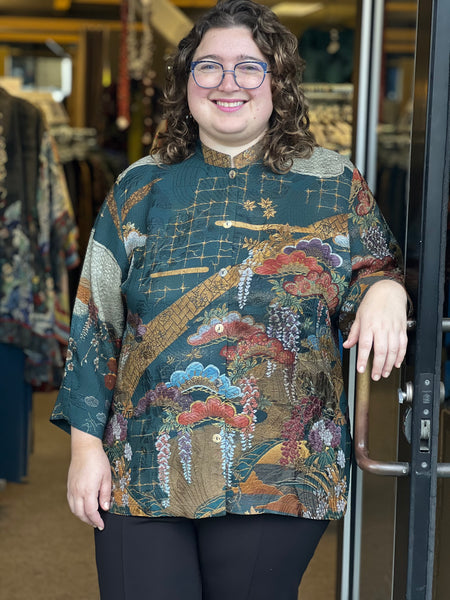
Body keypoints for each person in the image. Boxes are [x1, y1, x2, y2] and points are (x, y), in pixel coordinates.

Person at [51, 1, 408, 598]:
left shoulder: (332, 181)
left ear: (278, 80)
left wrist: (387, 288)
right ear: (186, 81)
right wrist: (85, 448)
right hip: (142, 463)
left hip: (278, 470)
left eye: (249, 66)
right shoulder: (140, 185)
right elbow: (96, 322)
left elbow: (373, 270)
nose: (228, 83)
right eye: (209, 66)